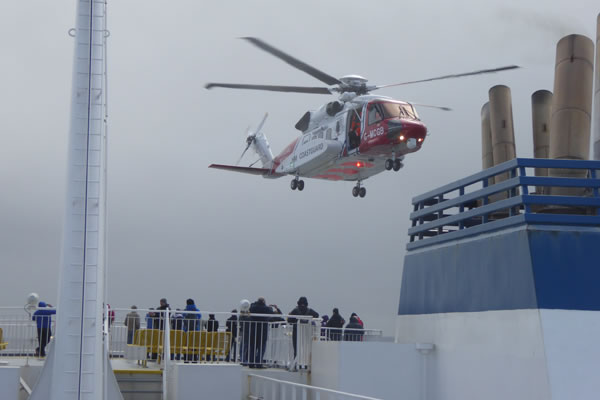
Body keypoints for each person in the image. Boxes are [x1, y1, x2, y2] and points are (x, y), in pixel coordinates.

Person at [248, 297, 273, 368]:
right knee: (261, 348)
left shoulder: (253, 307)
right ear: (264, 302)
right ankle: (259, 363)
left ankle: (251, 363)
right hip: (263, 330)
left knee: (252, 347)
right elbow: (271, 312)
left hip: (253, 330)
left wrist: (255, 303)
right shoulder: (266, 308)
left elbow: (250, 308)